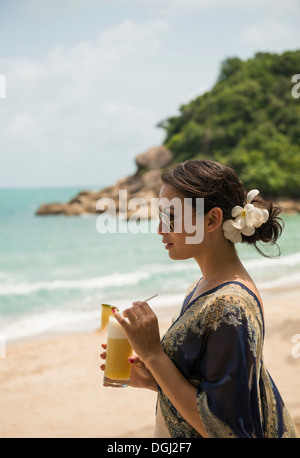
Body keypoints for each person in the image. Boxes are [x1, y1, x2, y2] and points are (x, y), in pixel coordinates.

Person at [100, 159, 299, 438]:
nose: (160, 229)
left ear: (212, 219)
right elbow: (208, 390)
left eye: (171, 217)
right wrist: (153, 379)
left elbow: (226, 429)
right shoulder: (202, 287)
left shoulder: (230, 305)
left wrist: (153, 355)